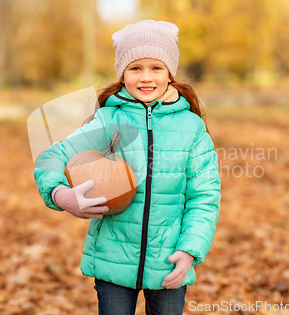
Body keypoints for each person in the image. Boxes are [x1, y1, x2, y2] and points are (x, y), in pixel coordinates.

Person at [33, 19, 221, 315]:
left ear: (170, 73)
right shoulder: (109, 120)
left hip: (169, 260)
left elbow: (204, 197)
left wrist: (190, 250)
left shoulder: (192, 127)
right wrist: (60, 195)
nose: (146, 77)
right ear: (123, 74)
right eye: (135, 68)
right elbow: (52, 157)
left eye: (156, 68)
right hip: (112, 261)